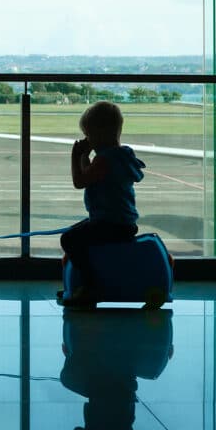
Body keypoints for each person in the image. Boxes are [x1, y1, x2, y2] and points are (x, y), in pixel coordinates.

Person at [60, 101, 145, 307]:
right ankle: (77, 286)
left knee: (69, 239)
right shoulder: (122, 156)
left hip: (110, 223)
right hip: (123, 222)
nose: (87, 139)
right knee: (77, 232)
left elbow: (79, 182)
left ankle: (90, 286)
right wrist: (85, 158)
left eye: (88, 134)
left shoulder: (104, 160)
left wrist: (75, 156)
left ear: (99, 133)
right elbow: (90, 175)